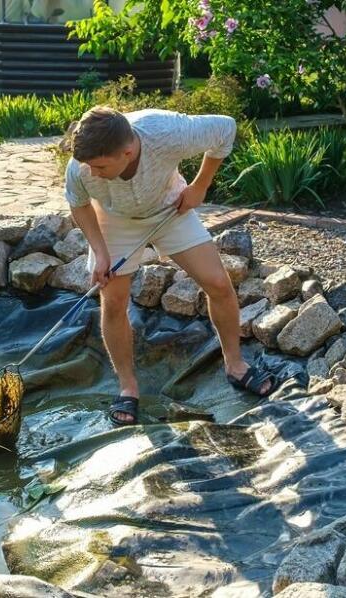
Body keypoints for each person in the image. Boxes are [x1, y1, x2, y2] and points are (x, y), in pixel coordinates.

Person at [61, 106, 280, 426]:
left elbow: (225, 129)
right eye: (89, 167)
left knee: (218, 283)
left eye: (100, 167)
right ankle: (128, 387)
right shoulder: (81, 167)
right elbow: (78, 204)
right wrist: (100, 251)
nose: (92, 173)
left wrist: (200, 186)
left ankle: (236, 366)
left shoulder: (165, 131)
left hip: (170, 210)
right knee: (114, 301)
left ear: (127, 151)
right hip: (115, 220)